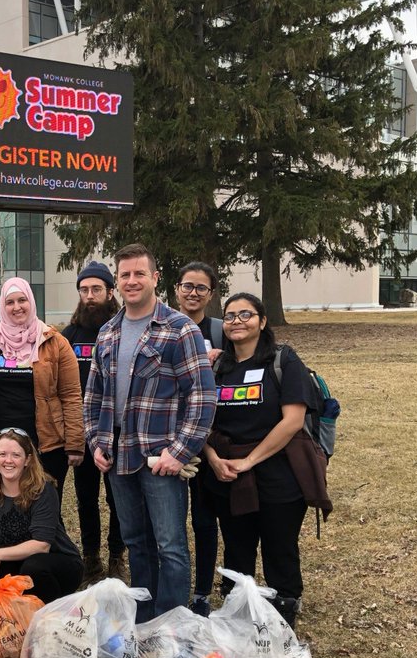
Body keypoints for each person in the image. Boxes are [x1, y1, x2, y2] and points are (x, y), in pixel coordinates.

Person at [84, 243, 215, 621]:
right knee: (136, 543)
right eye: (124, 275)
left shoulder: (179, 329)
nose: (132, 281)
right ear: (116, 283)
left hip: (161, 456)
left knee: (170, 544)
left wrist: (180, 451)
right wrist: (95, 441)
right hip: (118, 455)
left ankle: (173, 623)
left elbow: (202, 397)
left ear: (155, 278)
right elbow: (93, 395)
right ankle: (144, 620)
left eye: (139, 273)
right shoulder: (108, 333)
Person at [200, 293, 331, 630]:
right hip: (227, 473)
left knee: (279, 545)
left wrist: (250, 461)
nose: (237, 321)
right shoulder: (216, 368)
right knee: (237, 546)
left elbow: (291, 420)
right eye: (229, 316)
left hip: (278, 471)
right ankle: (237, 607)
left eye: (246, 314)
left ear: (261, 320)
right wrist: (214, 459)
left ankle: (284, 610)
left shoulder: (282, 360)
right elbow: (202, 422)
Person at [0, 276, 83, 502]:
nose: (16, 307)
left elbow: (71, 396)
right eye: (10, 302)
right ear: (2, 306)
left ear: (31, 302)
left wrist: (75, 443)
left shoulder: (55, 343)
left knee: (46, 512)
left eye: (22, 300)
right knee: (4, 507)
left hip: (46, 446)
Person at [0, 427, 83, 604]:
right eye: (2, 454)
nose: (8, 461)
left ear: (27, 459)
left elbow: (41, 545)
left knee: (33, 568)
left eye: (16, 455)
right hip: (13, 561)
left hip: (56, 563)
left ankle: (51, 615)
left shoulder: (43, 489)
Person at [61, 260, 126, 585]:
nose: (89, 296)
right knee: (86, 499)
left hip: (118, 432)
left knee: (118, 499)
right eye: (84, 290)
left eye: (96, 289)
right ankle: (91, 559)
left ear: (110, 292)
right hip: (82, 433)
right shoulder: (68, 336)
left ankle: (117, 556)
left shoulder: (122, 330)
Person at [174, 261, 223, 614]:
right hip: (166, 442)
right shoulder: (163, 327)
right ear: (176, 289)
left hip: (207, 440)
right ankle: (172, 588)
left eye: (200, 288)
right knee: (169, 524)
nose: (193, 293)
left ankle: (202, 591)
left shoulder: (222, 333)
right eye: (187, 286)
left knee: (204, 519)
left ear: (211, 293)